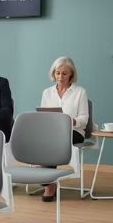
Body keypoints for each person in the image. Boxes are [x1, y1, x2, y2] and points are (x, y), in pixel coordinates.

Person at [40, 56, 89, 201]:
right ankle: (48, 178)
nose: (60, 77)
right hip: (52, 133)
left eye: (64, 73)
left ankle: (48, 182)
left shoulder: (80, 92)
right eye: (57, 73)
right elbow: (42, 116)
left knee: (53, 141)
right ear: (53, 73)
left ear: (71, 75)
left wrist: (72, 121)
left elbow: (84, 119)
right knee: (45, 139)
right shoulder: (47, 93)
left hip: (74, 132)